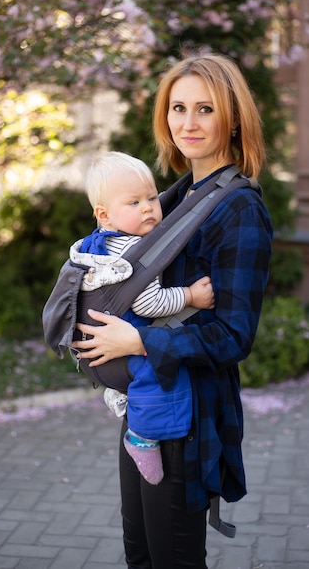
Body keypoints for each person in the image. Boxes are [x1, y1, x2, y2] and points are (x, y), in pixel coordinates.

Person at [72, 52, 273, 569]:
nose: (188, 123)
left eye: (205, 109)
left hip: (188, 414)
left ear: (232, 117)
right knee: (140, 554)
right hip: (144, 402)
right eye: (178, 108)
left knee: (172, 560)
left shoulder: (239, 209)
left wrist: (138, 341)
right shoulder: (172, 198)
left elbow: (234, 334)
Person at [70, 150, 215, 485]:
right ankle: (142, 438)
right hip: (118, 344)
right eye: (134, 203)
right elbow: (149, 304)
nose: (149, 207)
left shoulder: (97, 243)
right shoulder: (133, 252)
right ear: (104, 215)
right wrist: (191, 296)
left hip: (94, 347)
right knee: (164, 370)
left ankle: (124, 394)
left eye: (152, 197)